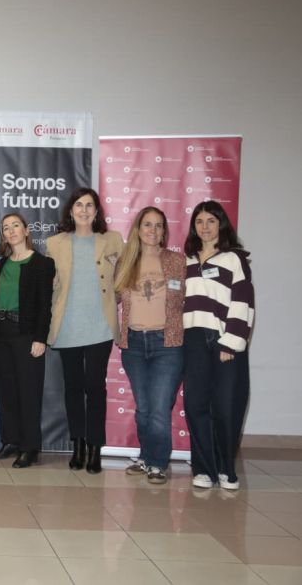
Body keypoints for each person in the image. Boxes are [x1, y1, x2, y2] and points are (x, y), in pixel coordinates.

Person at [46, 187, 123, 474]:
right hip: (67, 325)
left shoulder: (113, 240)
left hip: (100, 325)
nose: (84, 210)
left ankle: (95, 448)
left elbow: (124, 276)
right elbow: (51, 286)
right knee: (73, 389)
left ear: (97, 211)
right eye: (79, 205)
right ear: (70, 210)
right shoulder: (55, 243)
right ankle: (77, 444)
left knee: (95, 387)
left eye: (89, 205)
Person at [182, 200, 254, 490]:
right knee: (195, 403)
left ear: (221, 224)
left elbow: (244, 302)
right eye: (199, 221)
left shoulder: (234, 259)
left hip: (224, 340)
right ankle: (203, 469)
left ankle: (226, 468)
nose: (205, 227)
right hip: (194, 338)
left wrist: (231, 343)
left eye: (211, 221)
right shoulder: (186, 259)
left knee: (226, 406)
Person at [114, 207, 186, 485]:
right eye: (147, 225)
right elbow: (113, 298)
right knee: (144, 407)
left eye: (158, 226)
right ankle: (146, 456)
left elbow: (189, 300)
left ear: (164, 231)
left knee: (158, 407)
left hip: (167, 344)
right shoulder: (126, 262)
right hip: (133, 344)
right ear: (138, 229)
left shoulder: (178, 262)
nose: (153, 231)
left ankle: (158, 463)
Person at [0, 213, 54, 468]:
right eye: (6, 228)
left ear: (26, 230)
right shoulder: (0, 264)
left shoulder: (42, 264)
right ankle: (11, 441)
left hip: (27, 334)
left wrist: (40, 338)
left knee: (28, 391)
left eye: (16, 226)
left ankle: (30, 446)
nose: (11, 231)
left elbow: (45, 306)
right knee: (6, 390)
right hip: (2, 333)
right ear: (2, 235)